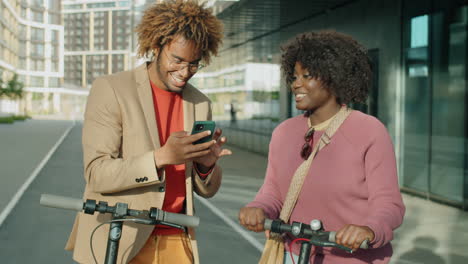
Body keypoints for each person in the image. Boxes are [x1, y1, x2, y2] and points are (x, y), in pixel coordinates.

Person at [65, 1, 231, 263]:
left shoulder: (200, 103)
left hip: (177, 237)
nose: (185, 72)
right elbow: (97, 174)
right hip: (120, 235)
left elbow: (206, 190)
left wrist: (206, 166)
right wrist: (160, 158)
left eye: (194, 64)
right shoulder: (111, 89)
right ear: (156, 46)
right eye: (177, 60)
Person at [238, 31, 405, 263]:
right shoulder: (283, 133)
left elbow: (389, 204)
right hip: (293, 255)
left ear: (333, 77)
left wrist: (369, 228)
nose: (296, 84)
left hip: (352, 259)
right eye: (294, 76)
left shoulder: (369, 131)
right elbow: (273, 193)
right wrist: (258, 208)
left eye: (307, 76)